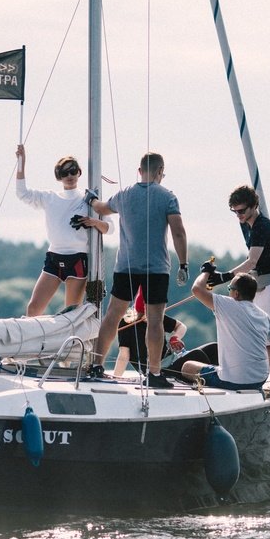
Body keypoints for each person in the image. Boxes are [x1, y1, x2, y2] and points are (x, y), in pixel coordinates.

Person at [87, 152, 188, 389]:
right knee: (155, 321)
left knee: (112, 315)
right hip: (156, 269)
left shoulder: (124, 195)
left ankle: (96, 366)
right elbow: (178, 232)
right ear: (160, 171)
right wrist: (183, 264)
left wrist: (90, 199)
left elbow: (101, 207)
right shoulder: (168, 197)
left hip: (126, 266)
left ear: (139, 170)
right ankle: (154, 373)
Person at [15, 144, 112, 316]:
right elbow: (22, 193)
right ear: (58, 176)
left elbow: (109, 228)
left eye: (73, 171)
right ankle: (33, 343)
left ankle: (72, 343)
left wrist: (93, 222)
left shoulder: (88, 199)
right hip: (54, 257)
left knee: (71, 314)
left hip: (77, 260)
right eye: (64, 172)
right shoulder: (49, 198)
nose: (69, 176)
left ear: (79, 173)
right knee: (33, 309)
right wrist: (21, 162)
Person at [206, 185, 270, 387]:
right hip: (255, 285)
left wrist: (223, 277)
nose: (238, 215)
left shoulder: (263, 226)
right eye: (234, 212)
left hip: (269, 286)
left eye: (241, 211)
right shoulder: (246, 224)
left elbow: (252, 261)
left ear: (254, 206)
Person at [184, 272, 270, 391]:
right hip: (259, 380)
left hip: (232, 381)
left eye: (229, 288)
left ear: (236, 293)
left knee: (187, 367)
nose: (228, 291)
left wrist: (206, 272)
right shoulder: (264, 316)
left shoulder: (227, 304)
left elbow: (197, 289)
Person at [113, 287, 187, 377]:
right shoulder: (126, 322)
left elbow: (181, 326)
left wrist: (175, 337)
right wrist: (116, 378)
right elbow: (123, 355)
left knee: (205, 351)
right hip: (158, 369)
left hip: (170, 361)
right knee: (197, 355)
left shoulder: (157, 317)